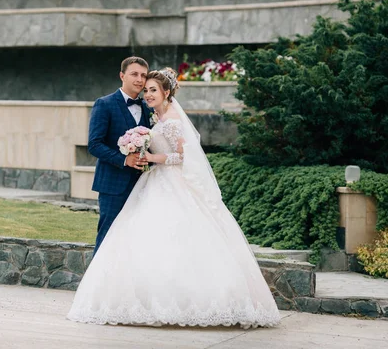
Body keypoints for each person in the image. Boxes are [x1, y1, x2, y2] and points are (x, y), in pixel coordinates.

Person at [68, 68, 281, 328]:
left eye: (152, 89)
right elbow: (96, 143)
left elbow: (183, 155)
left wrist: (152, 158)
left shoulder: (170, 119)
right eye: (146, 89)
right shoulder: (151, 116)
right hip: (150, 182)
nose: (147, 93)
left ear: (166, 92)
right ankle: (135, 299)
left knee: (178, 240)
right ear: (122, 75)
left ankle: (184, 302)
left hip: (171, 183)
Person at [88, 56, 152, 255]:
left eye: (143, 75)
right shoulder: (104, 104)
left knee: (136, 239)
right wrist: (125, 159)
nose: (140, 79)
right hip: (113, 186)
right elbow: (94, 144)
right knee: (108, 236)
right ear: (122, 76)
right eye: (134, 74)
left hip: (143, 185)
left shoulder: (148, 108)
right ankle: (96, 285)